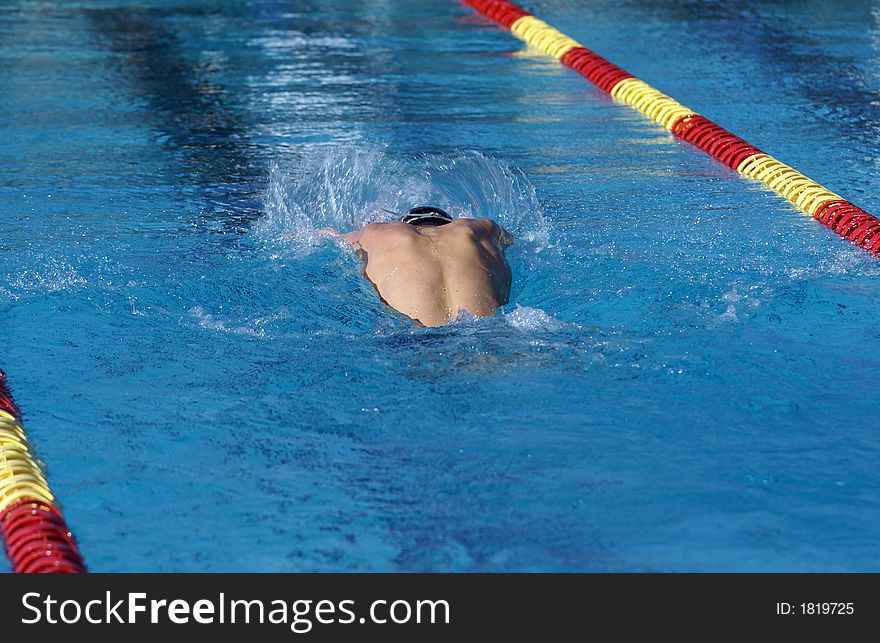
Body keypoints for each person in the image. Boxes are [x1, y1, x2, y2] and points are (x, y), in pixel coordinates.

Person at [320, 206, 514, 327]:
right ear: (448, 223)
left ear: (407, 224)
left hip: (413, 341)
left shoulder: (380, 232)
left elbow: (330, 237)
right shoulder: (477, 228)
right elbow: (511, 239)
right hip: (488, 334)